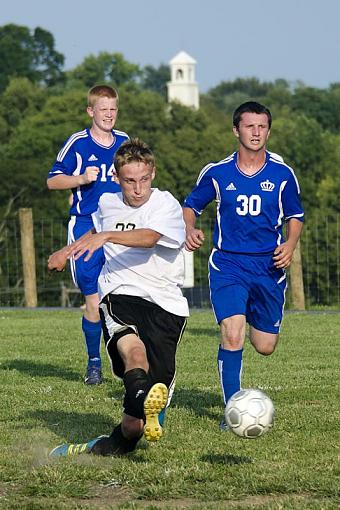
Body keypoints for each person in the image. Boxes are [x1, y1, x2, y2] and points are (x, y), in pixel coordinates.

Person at [48, 138, 189, 457]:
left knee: (131, 429)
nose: (137, 188)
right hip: (119, 293)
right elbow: (94, 231)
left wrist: (108, 236)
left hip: (166, 304)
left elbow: (150, 238)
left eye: (143, 179)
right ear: (116, 177)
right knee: (134, 353)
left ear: (152, 172)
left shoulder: (166, 204)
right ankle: (146, 402)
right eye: (129, 181)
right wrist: (65, 251)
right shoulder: (108, 203)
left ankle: (101, 445)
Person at [183, 101, 304, 428]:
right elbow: (191, 205)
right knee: (232, 335)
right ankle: (232, 410)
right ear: (236, 130)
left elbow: (295, 216)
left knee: (265, 346)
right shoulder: (218, 172)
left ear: (268, 130)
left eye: (262, 126)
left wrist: (290, 245)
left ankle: (252, 311)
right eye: (249, 126)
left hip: (269, 269)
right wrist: (189, 228)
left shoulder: (282, 174)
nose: (256, 132)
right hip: (228, 266)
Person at [47, 85, 129, 385]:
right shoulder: (78, 143)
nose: (109, 114)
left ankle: (124, 356)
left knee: (122, 295)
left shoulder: (124, 141)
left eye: (113, 110)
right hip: (84, 226)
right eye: (103, 109)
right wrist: (80, 179)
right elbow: (52, 181)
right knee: (93, 298)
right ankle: (94, 363)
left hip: (116, 227)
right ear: (91, 111)